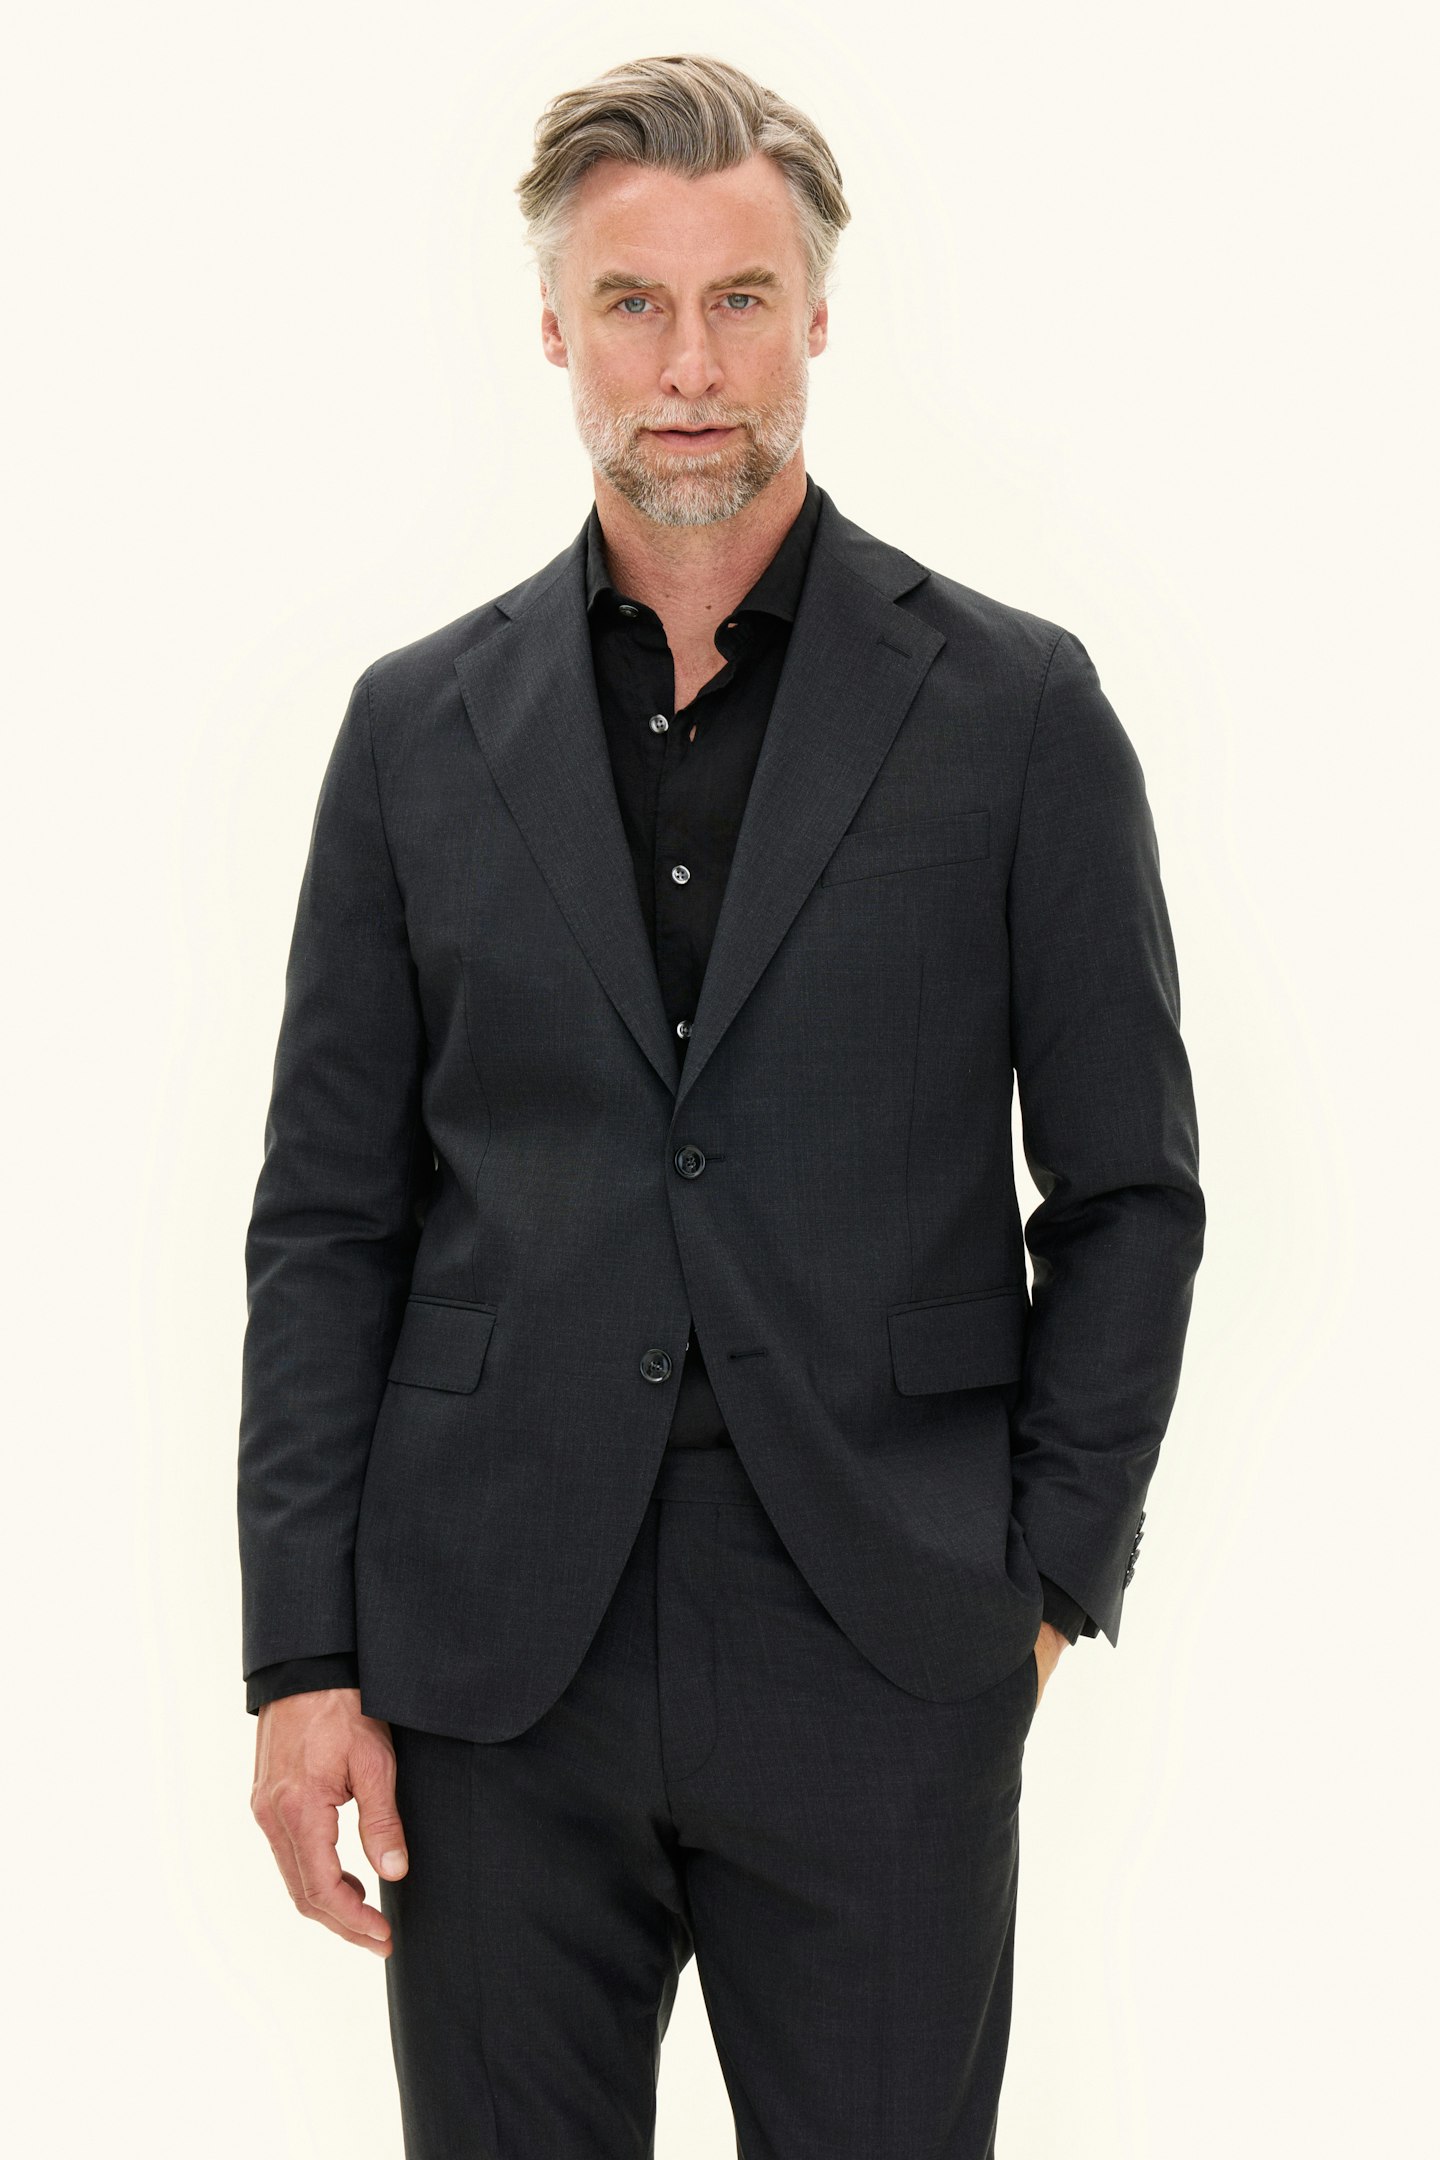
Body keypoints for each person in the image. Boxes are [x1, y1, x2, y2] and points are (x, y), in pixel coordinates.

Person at [239, 51, 1205, 2158]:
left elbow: (1131, 1193)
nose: (690, 367)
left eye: (741, 298)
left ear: (818, 314)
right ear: (554, 328)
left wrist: (1043, 1589)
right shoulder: (413, 732)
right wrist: (302, 1662)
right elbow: (327, 1222)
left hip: (883, 1640)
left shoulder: (1019, 712)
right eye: (635, 303)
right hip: (492, 1663)